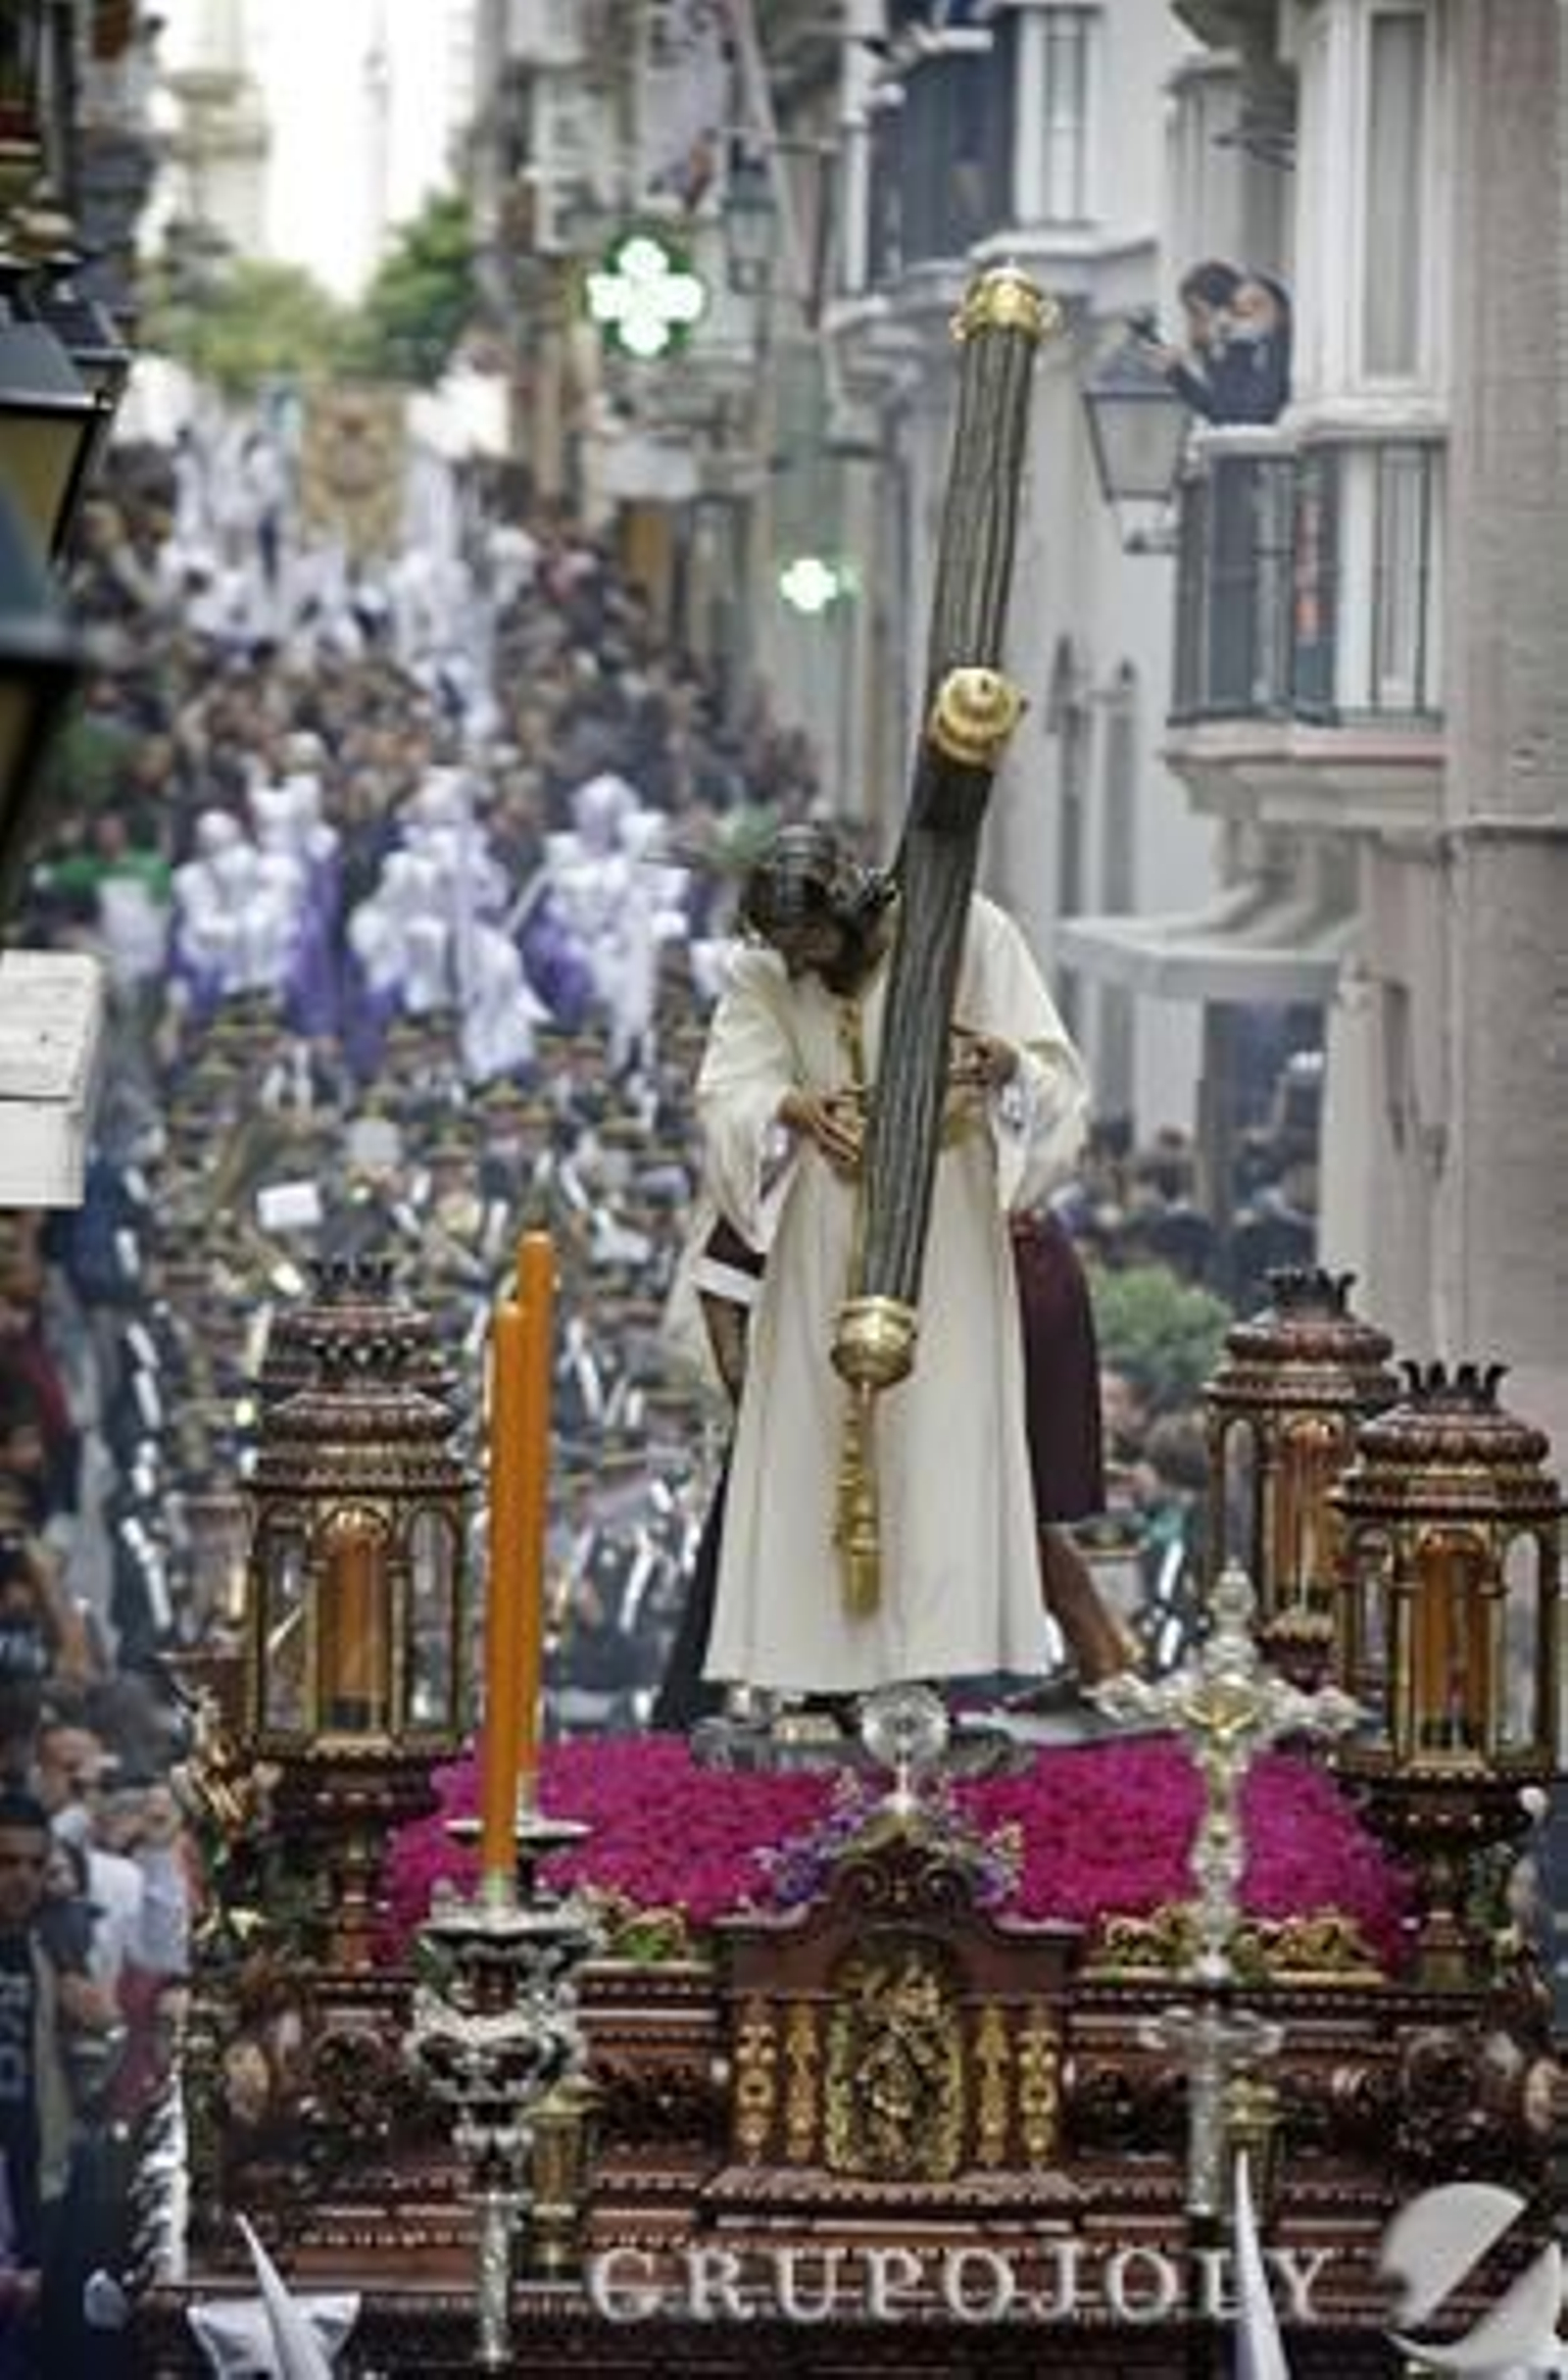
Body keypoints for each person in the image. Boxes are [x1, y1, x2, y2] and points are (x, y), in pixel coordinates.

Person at [694, 822, 1089, 1697]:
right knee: (809, 1443)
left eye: (820, 946)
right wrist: (792, 1108)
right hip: (822, 1239)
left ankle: (932, 1668)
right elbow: (728, 1093)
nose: (807, 968)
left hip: (945, 1225)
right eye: (790, 952)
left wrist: (1002, 1065)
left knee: (941, 1441)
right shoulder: (763, 971)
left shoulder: (968, 932)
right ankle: (805, 1671)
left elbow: (1059, 1084)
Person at [1150, 261, 1292, 427]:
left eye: (1198, 314)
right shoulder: (1229, 352)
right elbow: (1222, 413)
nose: (1193, 327)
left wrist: (1232, 346)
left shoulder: (1269, 351)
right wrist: (1178, 373)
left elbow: (1248, 416)